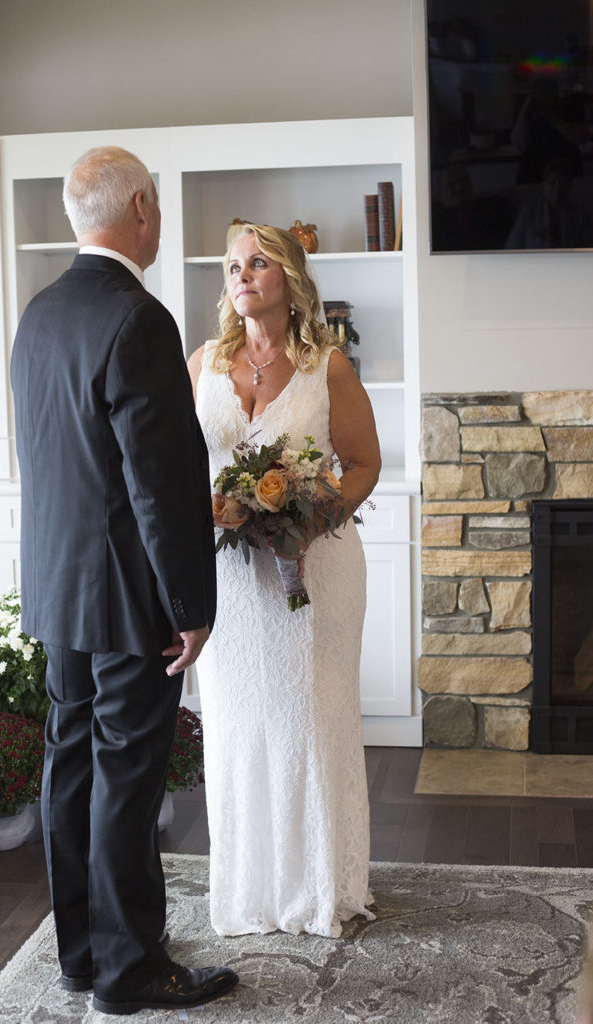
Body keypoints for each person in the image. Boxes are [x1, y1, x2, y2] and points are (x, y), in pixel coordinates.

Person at [10, 146, 238, 1015]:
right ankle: (132, 971)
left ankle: (82, 956)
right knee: (126, 779)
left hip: (57, 591)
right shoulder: (136, 319)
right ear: (141, 206)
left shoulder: (41, 313)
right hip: (125, 599)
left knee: (69, 768)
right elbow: (156, 485)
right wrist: (187, 605)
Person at [187, 223, 382, 937]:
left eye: (258, 262)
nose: (242, 274)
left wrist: (306, 514)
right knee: (237, 726)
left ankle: (320, 889)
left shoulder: (326, 366)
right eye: (233, 264)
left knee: (311, 719)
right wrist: (208, 511)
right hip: (230, 581)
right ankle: (250, 892)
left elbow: (362, 464)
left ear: (289, 279)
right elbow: (177, 464)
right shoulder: (202, 362)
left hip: (315, 571)